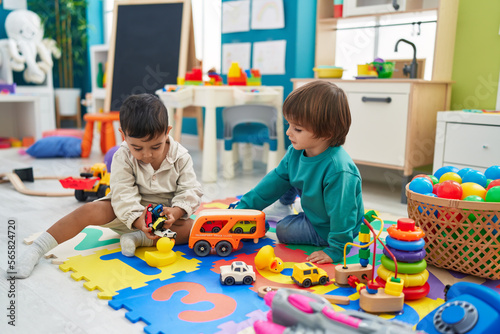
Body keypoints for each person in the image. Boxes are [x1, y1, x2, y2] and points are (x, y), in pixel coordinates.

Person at [15, 94, 203, 278]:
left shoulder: (181, 157)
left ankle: (139, 239)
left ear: (167, 132)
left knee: (195, 229)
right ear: (123, 135)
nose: (147, 155)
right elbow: (122, 195)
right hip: (126, 214)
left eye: (156, 146)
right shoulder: (122, 156)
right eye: (137, 148)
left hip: (163, 220)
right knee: (88, 210)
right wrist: (138, 220)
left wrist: (176, 211)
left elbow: (190, 189)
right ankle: (37, 248)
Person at [236, 80, 364, 264]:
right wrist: (245, 208)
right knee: (287, 173)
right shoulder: (295, 152)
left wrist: (336, 249)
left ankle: (303, 216)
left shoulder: (339, 170)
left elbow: (343, 214)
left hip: (328, 228)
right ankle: (284, 206)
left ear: (327, 132)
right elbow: (273, 182)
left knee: (282, 229)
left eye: (297, 129)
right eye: (288, 125)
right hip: (315, 210)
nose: (289, 133)